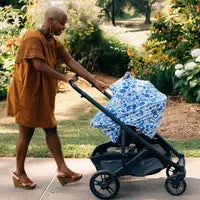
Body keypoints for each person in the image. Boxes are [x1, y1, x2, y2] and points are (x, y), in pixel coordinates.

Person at [6, 6, 108, 189]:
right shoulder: (32, 37)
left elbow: (70, 61)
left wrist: (94, 81)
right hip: (27, 94)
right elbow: (38, 65)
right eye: (62, 23)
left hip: (43, 94)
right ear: (51, 21)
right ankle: (18, 174)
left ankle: (62, 169)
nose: (64, 27)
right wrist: (64, 78)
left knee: (51, 128)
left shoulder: (53, 41)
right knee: (26, 134)